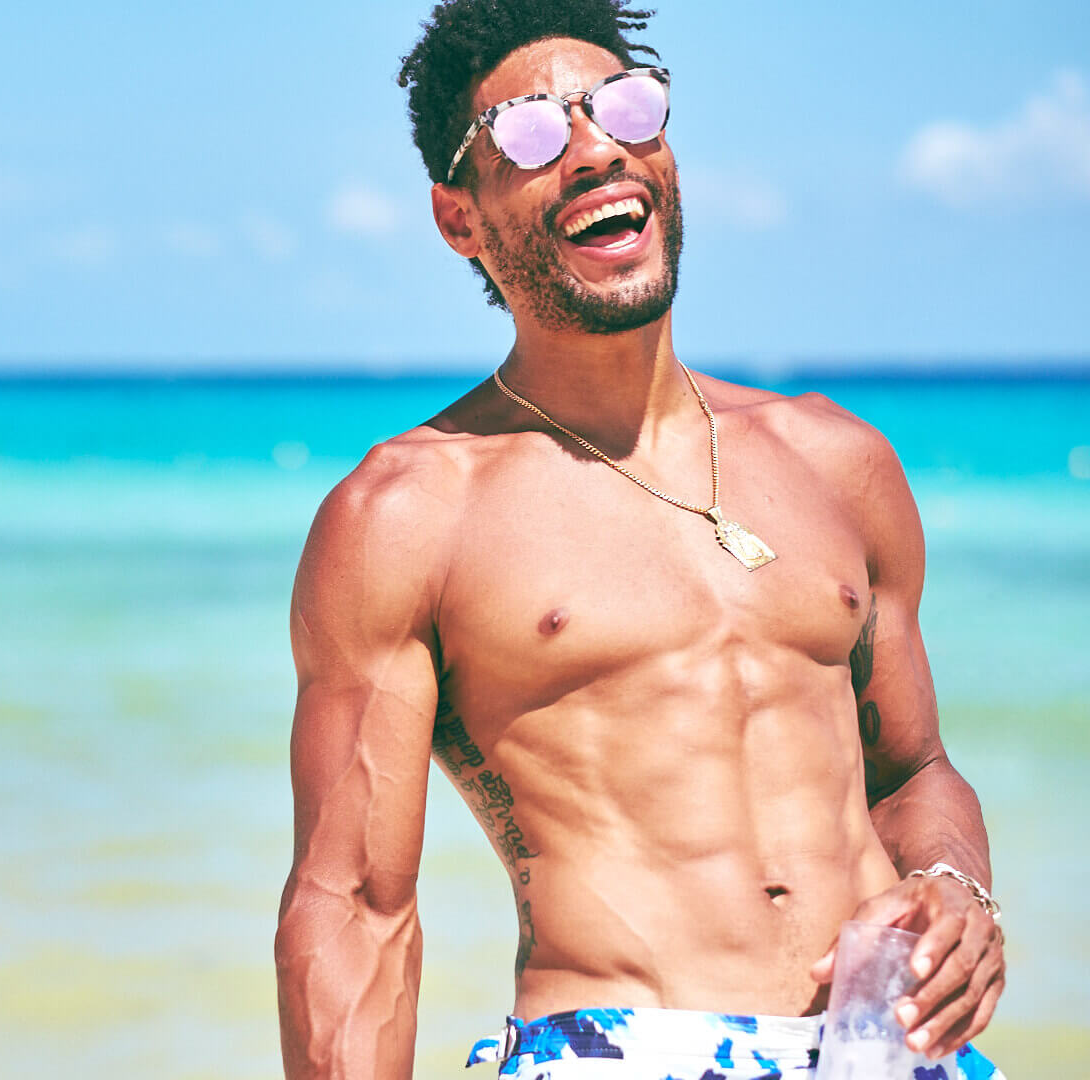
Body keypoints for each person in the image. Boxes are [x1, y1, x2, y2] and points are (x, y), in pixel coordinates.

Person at [274, 2, 1007, 1077]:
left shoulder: (836, 460)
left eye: (624, 107)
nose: (595, 148)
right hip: (620, 1048)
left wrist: (955, 886)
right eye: (528, 134)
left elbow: (914, 773)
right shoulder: (409, 510)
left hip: (889, 1049)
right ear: (457, 217)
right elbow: (354, 906)